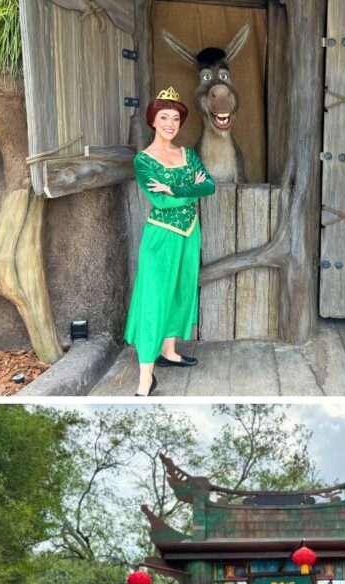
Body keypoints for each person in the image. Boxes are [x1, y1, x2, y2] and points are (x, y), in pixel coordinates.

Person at [125, 86, 215, 396]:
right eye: (164, 117)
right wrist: (189, 185)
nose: (170, 124)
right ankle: (144, 380)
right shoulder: (144, 161)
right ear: (153, 120)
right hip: (161, 237)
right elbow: (161, 204)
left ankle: (169, 351)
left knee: (180, 293)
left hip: (190, 232)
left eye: (175, 118)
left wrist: (174, 188)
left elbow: (210, 187)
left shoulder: (187, 154)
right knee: (154, 301)